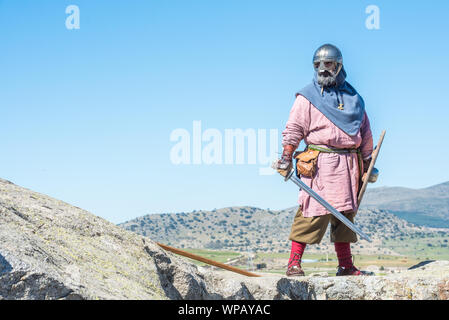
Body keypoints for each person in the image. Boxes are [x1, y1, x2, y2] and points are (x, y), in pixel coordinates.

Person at [277, 44, 374, 276]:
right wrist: (286, 156)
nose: (322, 70)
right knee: (311, 213)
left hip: (349, 165)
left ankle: (345, 266)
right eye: (317, 65)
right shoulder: (306, 97)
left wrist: (368, 163)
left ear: (339, 65)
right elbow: (294, 128)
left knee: (345, 216)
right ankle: (294, 264)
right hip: (319, 166)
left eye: (328, 64)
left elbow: (365, 133)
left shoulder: (355, 99)